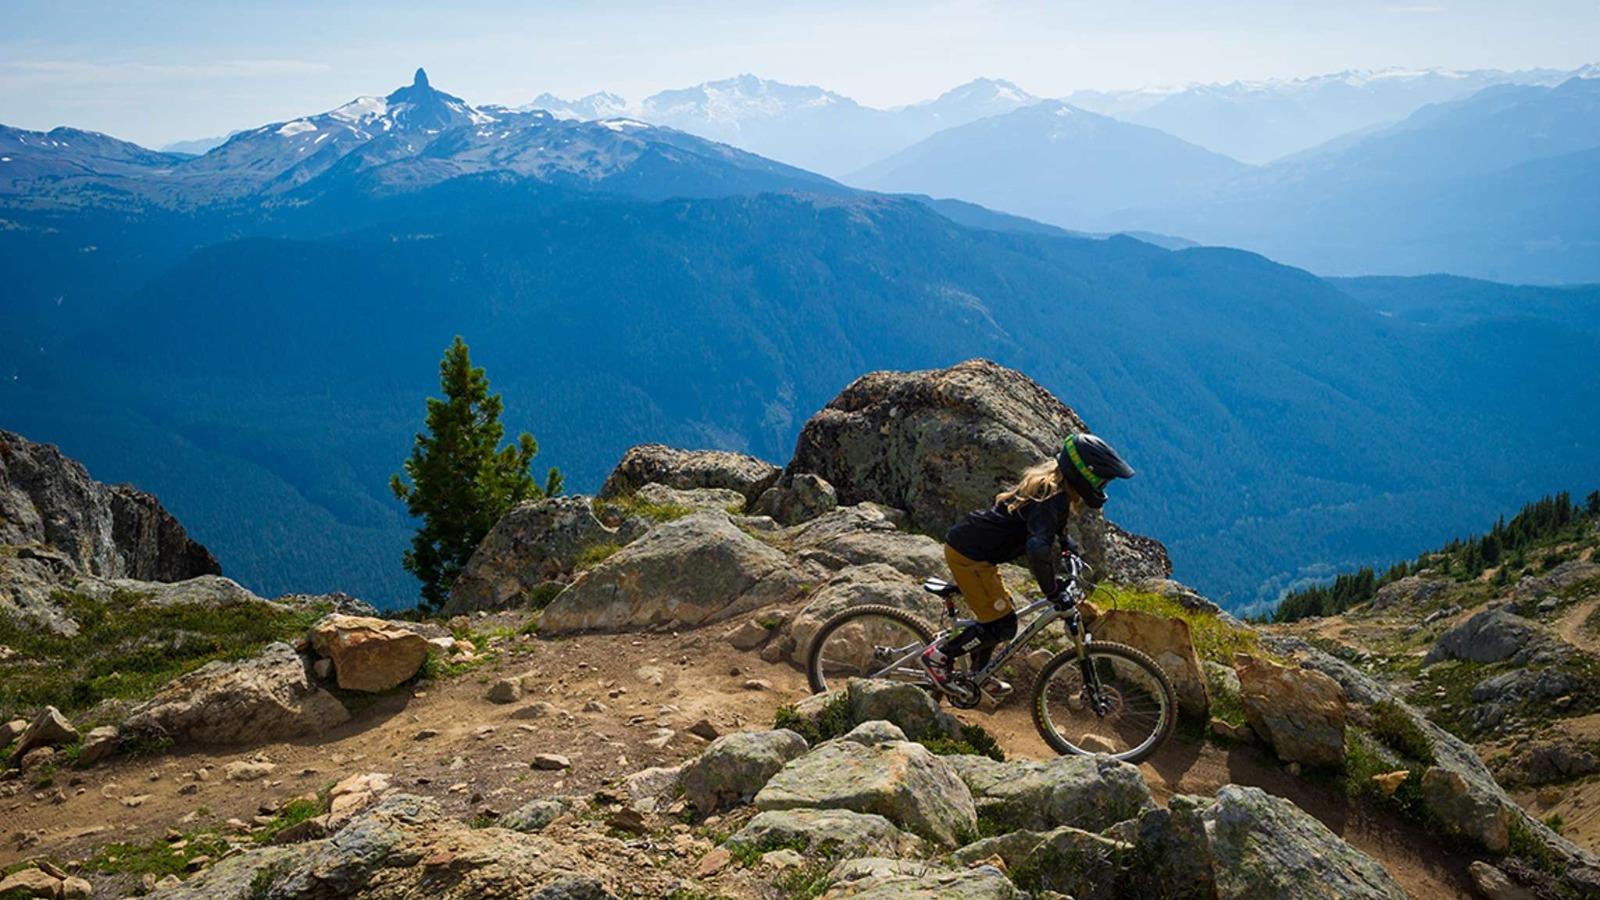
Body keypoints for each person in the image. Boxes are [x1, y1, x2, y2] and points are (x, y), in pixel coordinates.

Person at [921, 433, 1136, 689]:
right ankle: (939, 656)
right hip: (970, 556)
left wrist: (1067, 548)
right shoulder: (1052, 497)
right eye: (1101, 481)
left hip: (976, 550)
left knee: (1000, 615)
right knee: (1001, 625)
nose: (1102, 487)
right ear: (1084, 474)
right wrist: (1052, 591)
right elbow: (1037, 547)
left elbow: (1054, 529)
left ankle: (977, 676)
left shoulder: (1055, 491)